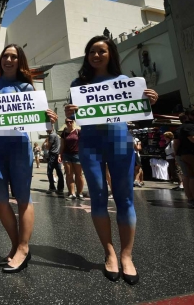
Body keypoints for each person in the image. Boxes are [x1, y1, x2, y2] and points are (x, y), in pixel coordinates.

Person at [65, 35, 158, 285]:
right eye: (92, 51)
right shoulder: (78, 83)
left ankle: (127, 256)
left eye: (102, 51)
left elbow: (139, 114)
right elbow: (75, 116)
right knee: (97, 197)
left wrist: (149, 101)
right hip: (90, 144)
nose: (96, 55)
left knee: (125, 197)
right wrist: (69, 112)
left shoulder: (125, 81)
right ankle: (109, 253)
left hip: (119, 141)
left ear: (111, 54)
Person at [0, 44, 57, 274]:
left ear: (19, 61)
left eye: (14, 56)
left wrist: (49, 116)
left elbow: (41, 117)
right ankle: (15, 244)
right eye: (6, 56)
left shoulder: (26, 86)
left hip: (19, 146)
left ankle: (23, 246)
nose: (9, 59)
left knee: (23, 196)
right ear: (0, 59)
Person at [61, 119, 84, 200]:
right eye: (67, 122)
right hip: (67, 155)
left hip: (77, 154)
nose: (69, 123)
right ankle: (72, 193)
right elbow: (62, 145)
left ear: (74, 122)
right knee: (69, 174)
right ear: (65, 123)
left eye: (71, 121)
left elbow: (82, 143)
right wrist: (60, 155)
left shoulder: (78, 131)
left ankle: (80, 193)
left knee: (79, 174)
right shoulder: (64, 133)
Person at [46, 127, 64, 194]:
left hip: (53, 155)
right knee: (59, 172)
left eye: (47, 128)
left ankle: (52, 187)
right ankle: (60, 188)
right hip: (57, 154)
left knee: (49, 172)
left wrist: (47, 140)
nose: (46, 130)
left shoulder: (51, 135)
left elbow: (48, 147)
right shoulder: (56, 135)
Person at [173, 113, 187, 193]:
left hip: (181, 154)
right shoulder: (181, 129)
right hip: (183, 154)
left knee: (185, 174)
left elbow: (176, 143)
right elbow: (176, 143)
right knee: (185, 174)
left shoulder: (179, 129)